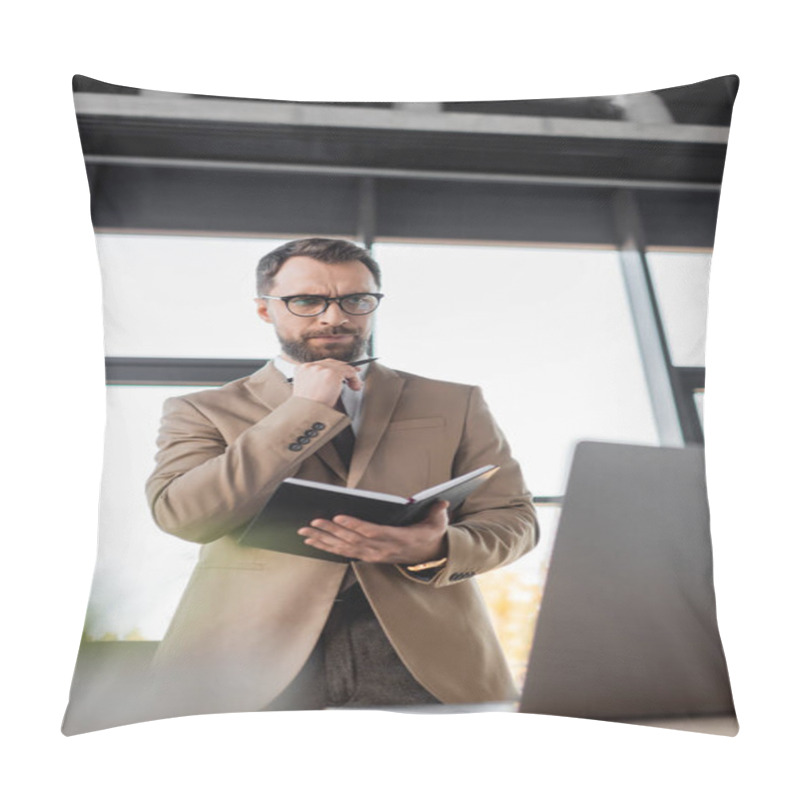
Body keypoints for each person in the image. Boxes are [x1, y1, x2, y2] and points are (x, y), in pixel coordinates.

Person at [144, 237, 537, 716]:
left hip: (429, 660)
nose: (334, 317)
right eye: (306, 301)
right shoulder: (201, 410)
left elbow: (515, 519)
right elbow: (183, 515)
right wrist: (303, 410)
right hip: (242, 665)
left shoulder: (455, 402)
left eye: (356, 300)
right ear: (265, 310)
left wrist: (435, 548)